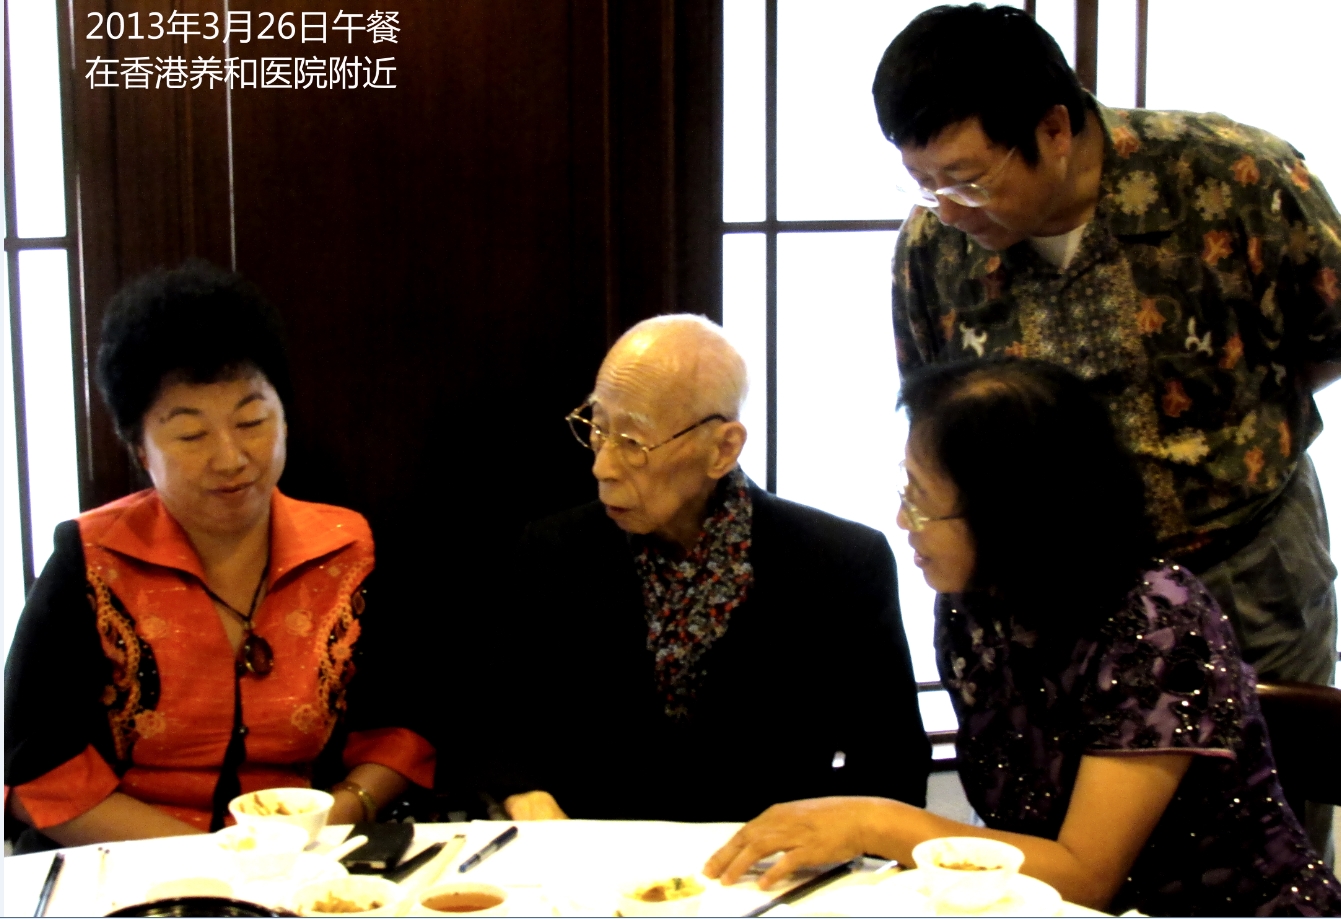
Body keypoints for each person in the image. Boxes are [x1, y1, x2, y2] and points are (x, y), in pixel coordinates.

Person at [873, 1, 1341, 857]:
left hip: (1241, 564)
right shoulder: (931, 248)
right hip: (1039, 602)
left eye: (967, 179)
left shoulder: (1230, 177)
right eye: (922, 183)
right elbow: (939, 416)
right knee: (1060, 854)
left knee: (1256, 832)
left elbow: (1326, 336)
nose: (946, 209)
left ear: (1053, 128)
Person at [706, 358, 1340, 917]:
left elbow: (1087, 876)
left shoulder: (1154, 623)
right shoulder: (976, 602)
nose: (902, 521)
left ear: (1011, 514)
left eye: (921, 500)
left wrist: (873, 820)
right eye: (905, 490)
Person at [4, 261, 435, 849]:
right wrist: (216, 859)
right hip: (130, 862)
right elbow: (35, 761)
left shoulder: (351, 549)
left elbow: (402, 726)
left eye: (252, 421)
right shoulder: (88, 560)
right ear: (139, 447)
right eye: (191, 435)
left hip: (309, 857)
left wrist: (339, 814)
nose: (231, 458)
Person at [494, 314, 929, 823]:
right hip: (588, 856)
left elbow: (893, 764)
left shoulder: (840, 563)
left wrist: (827, 833)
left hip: (768, 863)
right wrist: (523, 790)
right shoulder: (554, 550)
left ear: (722, 448)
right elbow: (497, 711)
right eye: (597, 428)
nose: (602, 467)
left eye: (632, 442)